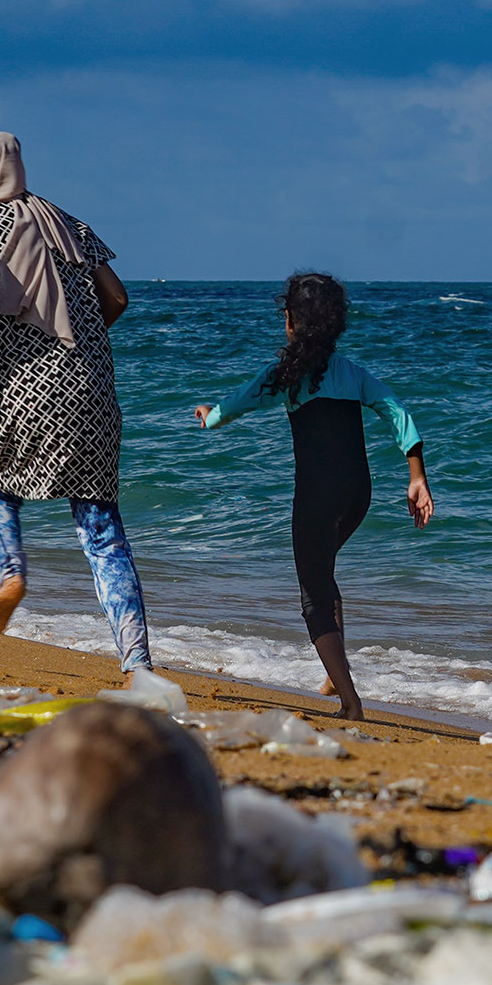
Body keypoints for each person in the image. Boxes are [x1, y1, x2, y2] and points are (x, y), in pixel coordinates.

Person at [0, 132, 153, 674]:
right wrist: (75, 346)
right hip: (93, 389)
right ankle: (137, 663)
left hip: (23, 386)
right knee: (102, 530)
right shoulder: (68, 222)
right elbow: (119, 298)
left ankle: (11, 574)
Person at [193, 272, 432, 721]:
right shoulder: (355, 374)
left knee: (312, 596)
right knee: (324, 573)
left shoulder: (284, 377)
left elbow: (236, 405)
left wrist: (208, 417)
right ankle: (332, 674)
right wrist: (416, 476)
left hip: (318, 497)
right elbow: (397, 411)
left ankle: (350, 702)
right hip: (358, 494)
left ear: (290, 322)